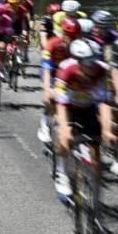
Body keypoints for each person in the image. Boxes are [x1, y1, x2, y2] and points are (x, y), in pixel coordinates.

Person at [53, 39, 112, 205]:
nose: (91, 67)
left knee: (96, 153)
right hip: (69, 108)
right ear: (78, 62)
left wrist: (107, 129)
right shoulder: (66, 70)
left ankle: (96, 197)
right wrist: (64, 127)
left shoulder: (101, 70)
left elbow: (104, 103)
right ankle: (62, 173)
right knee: (64, 138)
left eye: (93, 61)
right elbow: (61, 104)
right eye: (87, 63)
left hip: (88, 109)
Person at [38, 17, 81, 146]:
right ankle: (45, 124)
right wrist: (47, 90)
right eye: (68, 35)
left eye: (74, 36)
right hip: (51, 73)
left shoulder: (80, 46)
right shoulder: (52, 44)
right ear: (63, 33)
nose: (71, 39)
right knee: (51, 98)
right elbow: (46, 69)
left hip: (69, 75)